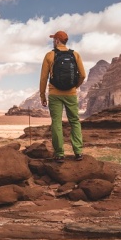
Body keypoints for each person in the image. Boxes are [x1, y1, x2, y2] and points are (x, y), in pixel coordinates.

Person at [39, 30, 86, 162]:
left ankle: (59, 154)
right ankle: (78, 152)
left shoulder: (49, 55)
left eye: (54, 39)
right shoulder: (75, 54)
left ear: (57, 41)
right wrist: (75, 87)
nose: (53, 41)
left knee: (56, 122)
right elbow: (83, 75)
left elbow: (43, 78)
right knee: (75, 121)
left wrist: (42, 96)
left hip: (55, 94)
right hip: (71, 94)